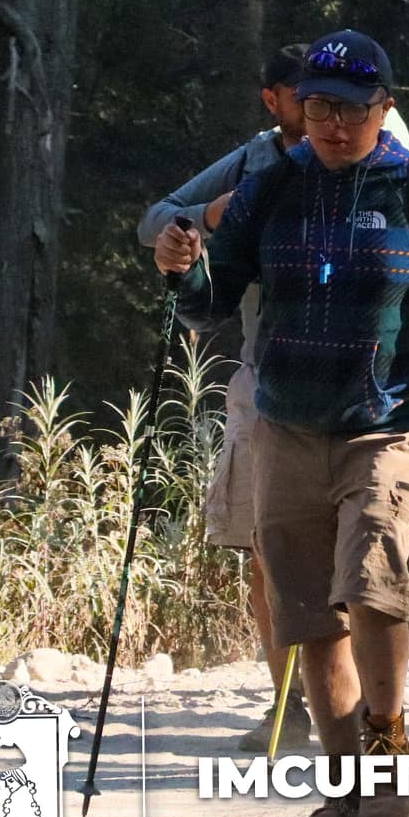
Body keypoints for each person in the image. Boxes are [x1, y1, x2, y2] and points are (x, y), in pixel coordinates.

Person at [153, 30, 409, 817]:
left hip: (385, 425)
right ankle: (347, 784)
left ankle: (387, 745)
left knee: (374, 579)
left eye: (349, 109)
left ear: (384, 109)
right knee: (306, 608)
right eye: (317, 106)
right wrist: (184, 268)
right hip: (285, 423)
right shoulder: (270, 184)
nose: (331, 123)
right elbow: (212, 302)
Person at [139, 44, 316, 751]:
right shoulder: (251, 161)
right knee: (265, 551)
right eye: (305, 93)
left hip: (352, 381)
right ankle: (289, 705)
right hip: (260, 376)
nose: (322, 106)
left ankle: (357, 704)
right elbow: (155, 219)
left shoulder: (373, 157)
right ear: (271, 99)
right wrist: (205, 219)